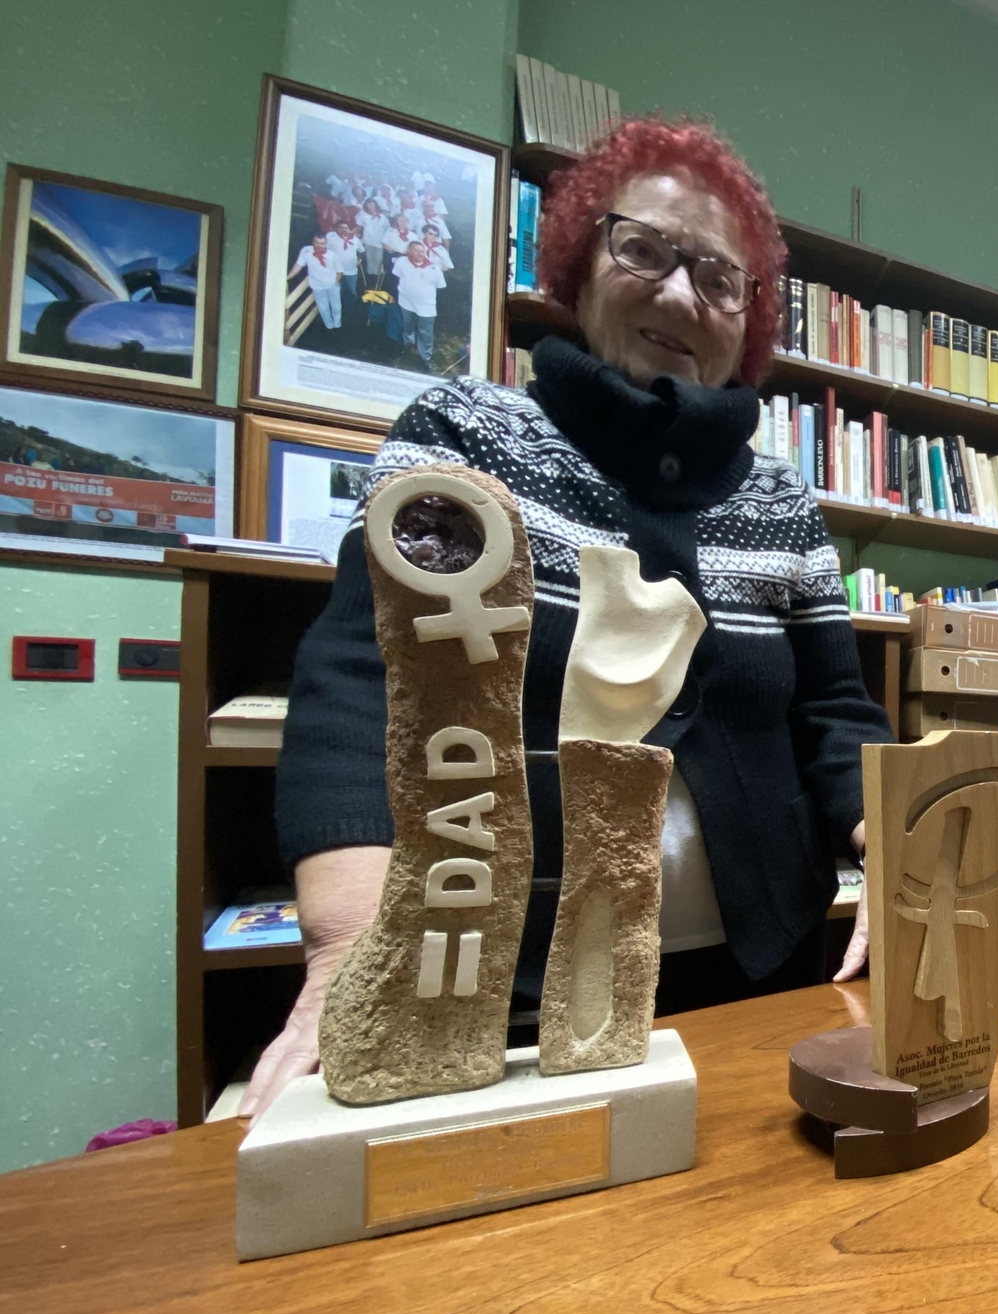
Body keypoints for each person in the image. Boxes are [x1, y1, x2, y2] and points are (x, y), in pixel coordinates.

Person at [242, 116, 892, 1119]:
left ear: (749, 323)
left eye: (717, 278)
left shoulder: (781, 499)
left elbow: (835, 718)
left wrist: (895, 861)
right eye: (644, 249)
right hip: (499, 985)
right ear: (578, 266)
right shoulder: (464, 435)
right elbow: (361, 686)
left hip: (763, 969)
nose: (679, 293)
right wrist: (345, 954)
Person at [390, 239, 444, 364]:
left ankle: (426, 356)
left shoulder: (434, 268)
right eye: (416, 250)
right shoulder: (401, 262)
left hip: (426, 306)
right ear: (409, 251)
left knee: (425, 332)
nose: (420, 253)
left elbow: (441, 286)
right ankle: (408, 344)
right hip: (406, 302)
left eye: (422, 251)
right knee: (407, 326)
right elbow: (397, 276)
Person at [293, 233, 342, 330]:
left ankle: (338, 325)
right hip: (317, 286)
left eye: (322, 243)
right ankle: (329, 326)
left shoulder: (332, 255)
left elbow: (340, 271)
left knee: (336, 306)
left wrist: (336, 281)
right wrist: (288, 277)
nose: (319, 245)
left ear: (326, 244)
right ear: (313, 242)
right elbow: (298, 265)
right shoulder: (306, 251)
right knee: (323, 308)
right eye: (317, 242)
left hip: (332, 285)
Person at [379, 213, 412, 342]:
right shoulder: (391, 231)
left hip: (405, 259)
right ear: (397, 221)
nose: (403, 222)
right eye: (400, 220)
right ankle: (390, 303)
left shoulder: (412, 234)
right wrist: (392, 250)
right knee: (392, 282)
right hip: (392, 258)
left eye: (405, 220)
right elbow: (385, 244)